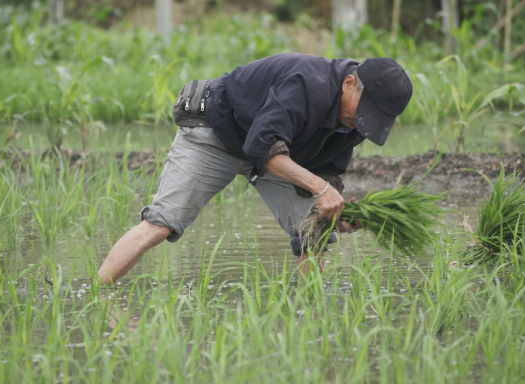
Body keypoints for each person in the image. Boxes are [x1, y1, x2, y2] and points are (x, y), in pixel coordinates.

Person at [98, 53, 413, 285]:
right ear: (348, 84)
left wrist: (333, 209)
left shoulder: (355, 123)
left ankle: (313, 316)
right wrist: (320, 189)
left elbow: (326, 169)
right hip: (217, 133)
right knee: (161, 224)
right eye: (365, 111)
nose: (363, 123)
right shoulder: (309, 82)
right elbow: (262, 148)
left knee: (315, 233)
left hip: (277, 152)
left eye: (375, 119)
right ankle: (96, 298)